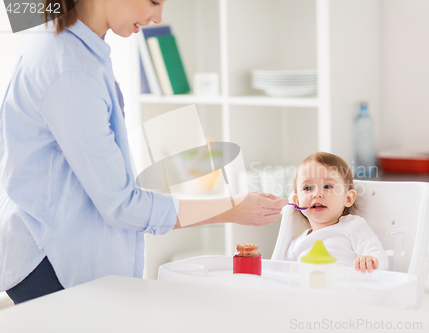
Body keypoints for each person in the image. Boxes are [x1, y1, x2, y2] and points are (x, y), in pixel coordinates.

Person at [0, 0, 287, 305]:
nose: (158, 17)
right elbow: (123, 206)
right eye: (153, 2)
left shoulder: (65, 37)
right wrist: (232, 208)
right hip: (53, 264)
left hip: (48, 245)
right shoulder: (71, 68)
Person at [285, 152, 388, 273]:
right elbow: (285, 276)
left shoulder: (353, 226)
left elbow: (379, 255)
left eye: (328, 186)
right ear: (297, 202)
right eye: (308, 188)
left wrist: (370, 260)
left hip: (349, 289)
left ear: (348, 198)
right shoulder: (296, 244)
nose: (317, 194)